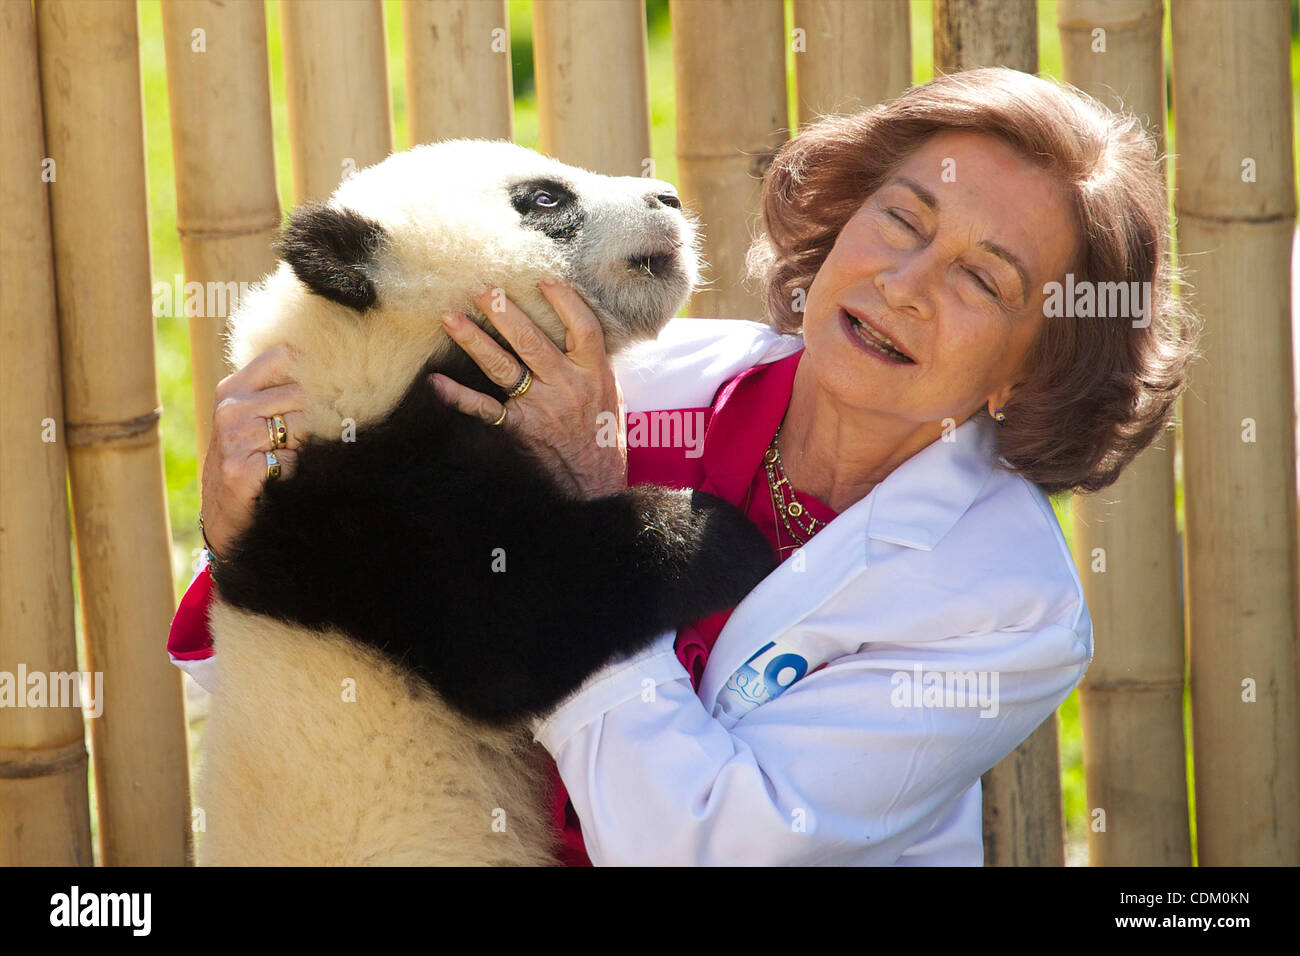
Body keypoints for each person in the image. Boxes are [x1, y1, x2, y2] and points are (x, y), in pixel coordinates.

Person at [169, 67, 1201, 865]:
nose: (905, 284)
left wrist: (586, 509)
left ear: (1036, 367)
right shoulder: (627, 374)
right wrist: (240, 529)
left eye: (981, 276)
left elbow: (702, 846)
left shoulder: (1002, 605)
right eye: (902, 219)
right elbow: (321, 674)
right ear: (841, 220)